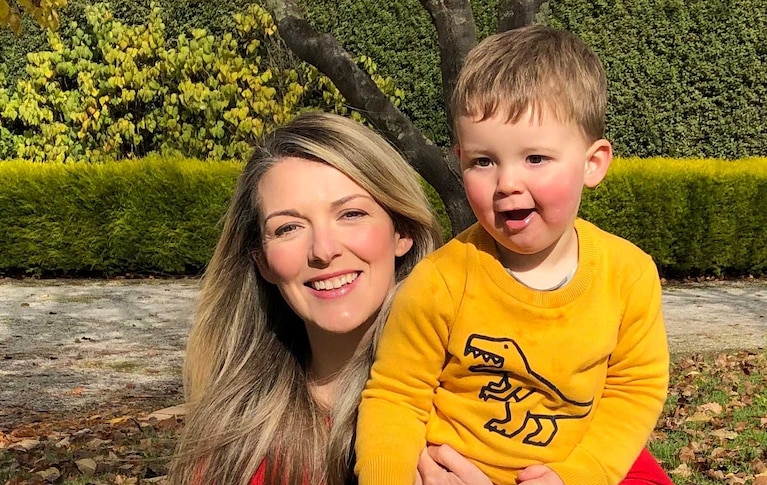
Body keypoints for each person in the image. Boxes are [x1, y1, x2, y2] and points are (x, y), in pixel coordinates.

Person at [167, 111, 670, 485]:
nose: (324, 250)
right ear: (261, 259)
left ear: (402, 231)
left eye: (351, 214)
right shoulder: (235, 444)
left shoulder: (532, 398)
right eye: (289, 227)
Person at [356, 25, 670, 485]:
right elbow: (395, 396)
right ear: (460, 159)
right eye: (483, 161)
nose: (506, 183)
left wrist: (581, 475)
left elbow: (634, 388)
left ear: (593, 162)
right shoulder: (441, 280)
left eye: (535, 159)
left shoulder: (628, 275)